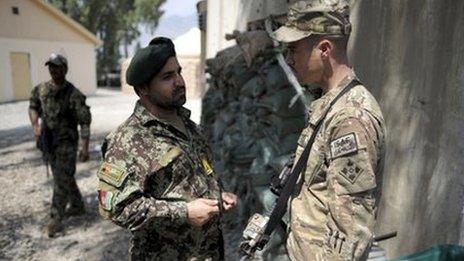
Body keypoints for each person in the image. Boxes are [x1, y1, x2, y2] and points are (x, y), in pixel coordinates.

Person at [96, 37, 237, 260]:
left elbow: (197, 174)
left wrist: (218, 194)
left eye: (178, 72)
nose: (180, 81)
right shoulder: (128, 140)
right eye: (167, 77)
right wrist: (185, 212)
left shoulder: (191, 128)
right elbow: (117, 208)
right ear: (143, 89)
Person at [272, 1, 386, 260]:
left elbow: (350, 232)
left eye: (293, 50)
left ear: (324, 49)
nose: (288, 60)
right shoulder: (330, 104)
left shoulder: (350, 118)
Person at [28, 53, 91, 237]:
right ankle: (78, 205)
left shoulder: (73, 94)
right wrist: (35, 125)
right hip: (48, 142)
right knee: (63, 176)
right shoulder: (41, 90)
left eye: (57, 67)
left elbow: (85, 121)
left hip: (66, 143)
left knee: (60, 179)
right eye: (51, 66)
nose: (53, 70)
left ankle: (56, 218)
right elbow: (33, 106)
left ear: (65, 69)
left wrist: (85, 147)